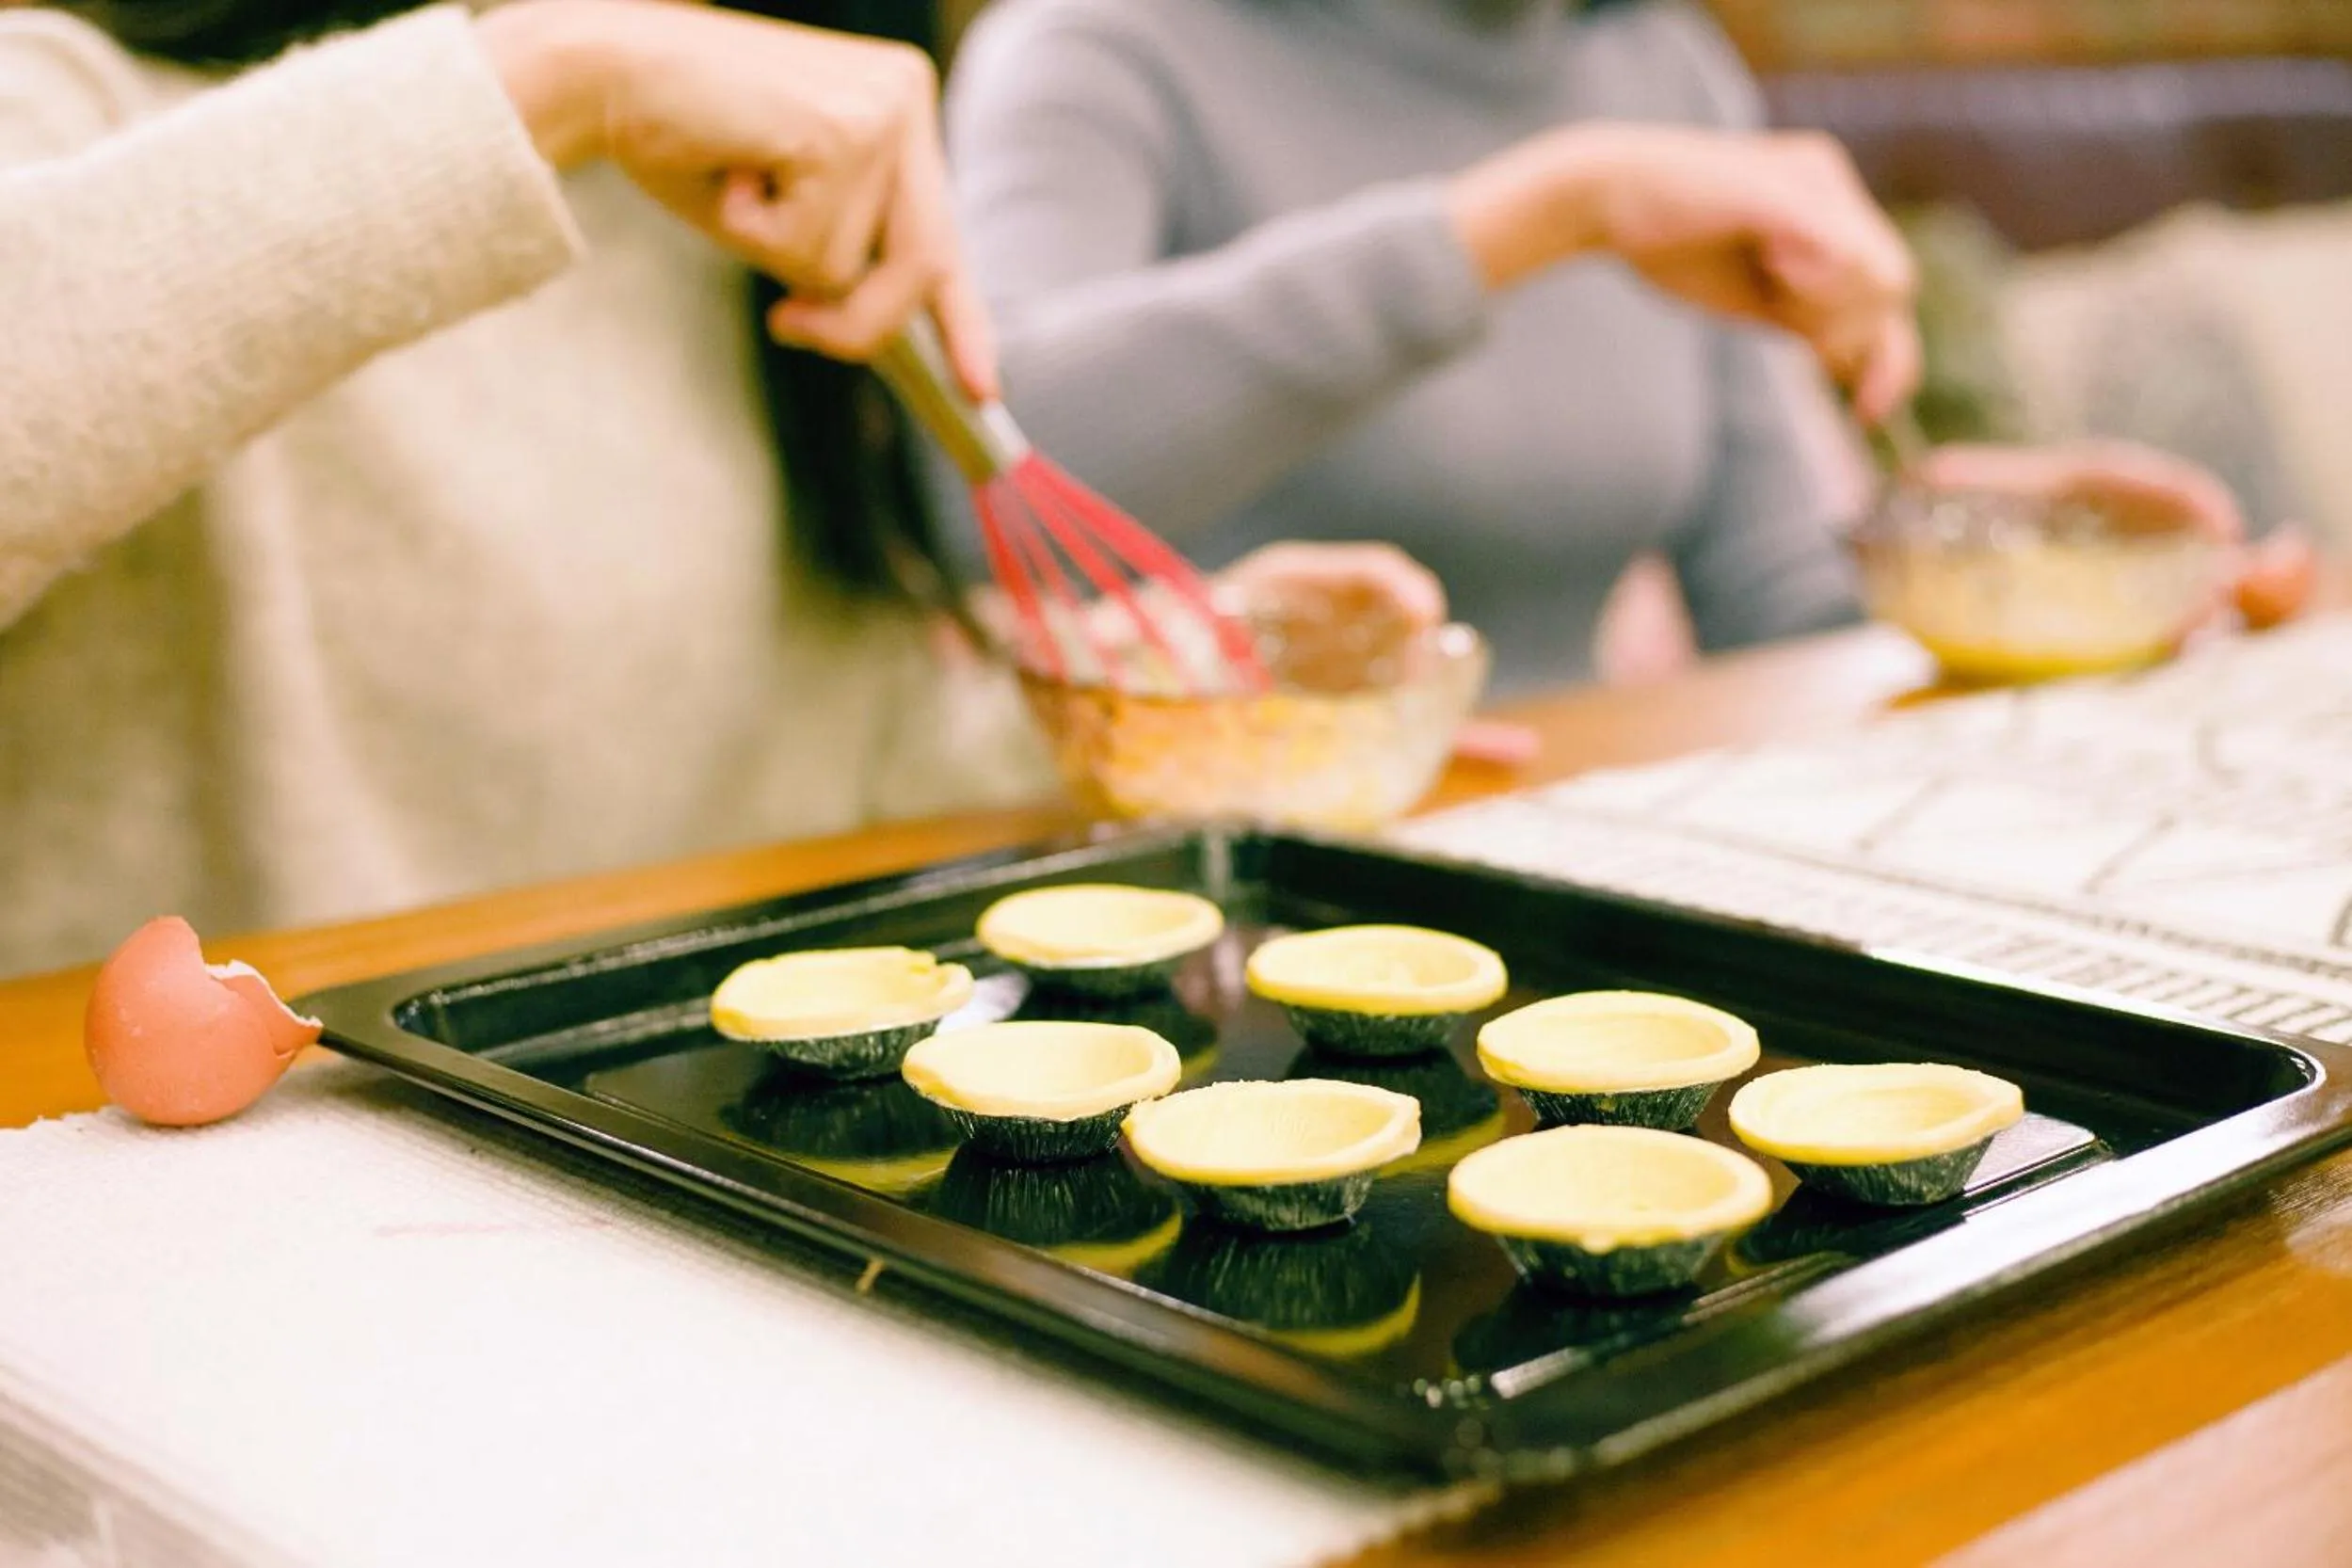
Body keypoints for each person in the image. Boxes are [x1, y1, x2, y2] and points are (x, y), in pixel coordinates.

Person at [0, 0, 1384, 978]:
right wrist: (550, 76)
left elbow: (805, 750)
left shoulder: (736, 220)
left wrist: (1146, 688)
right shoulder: (65, 108)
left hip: (630, 1171)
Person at [942, 0, 2285, 693]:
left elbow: (1772, 603)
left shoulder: (1665, 69)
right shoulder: (1095, 46)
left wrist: (2009, 576)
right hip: (1209, 902)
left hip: (1568, 867)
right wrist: (1536, 214)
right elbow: (973, 490)